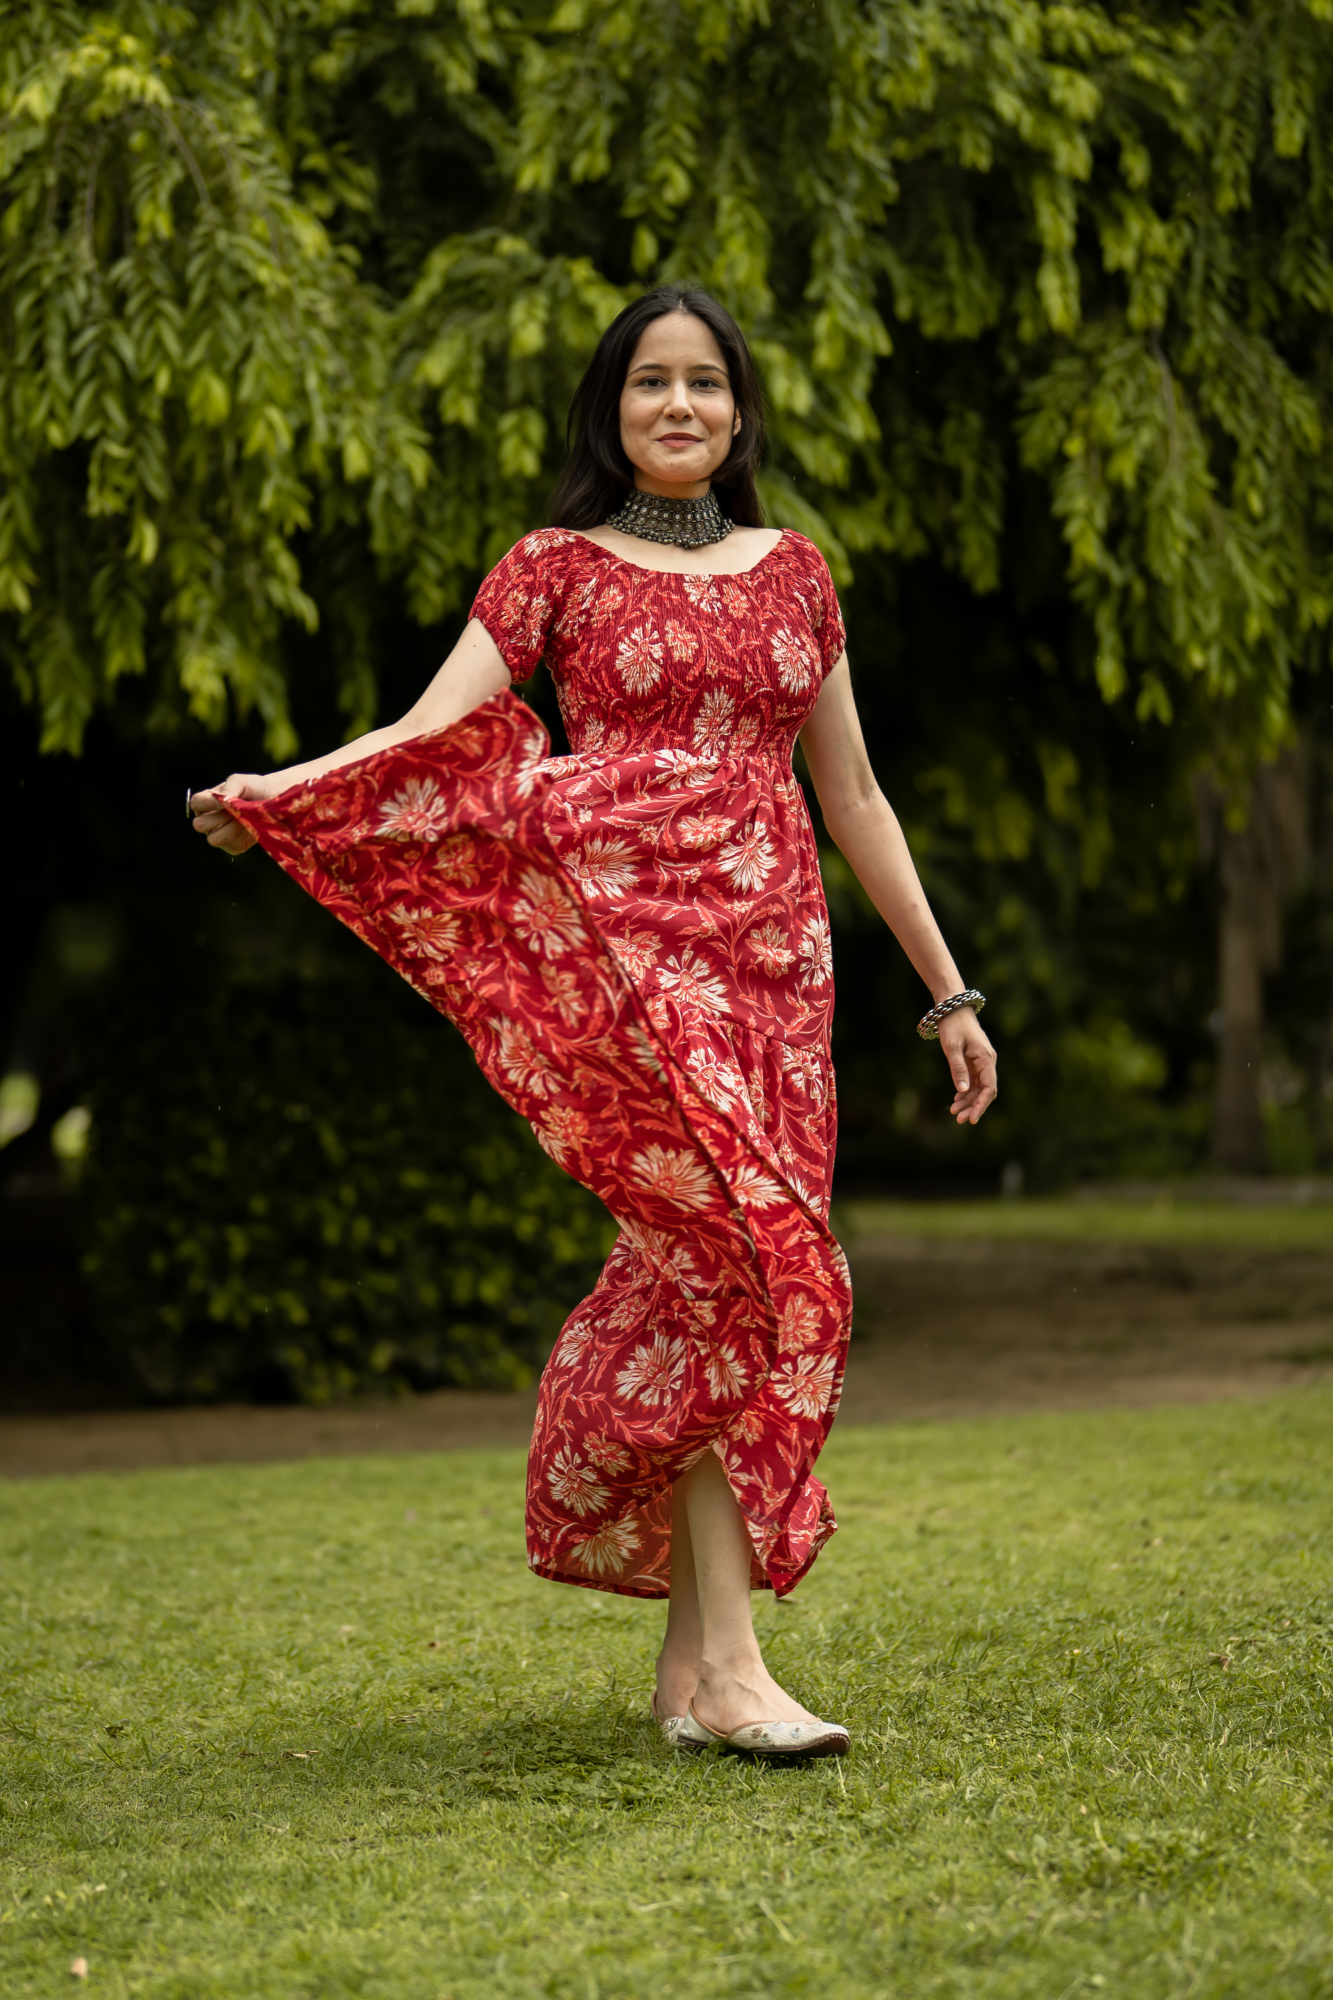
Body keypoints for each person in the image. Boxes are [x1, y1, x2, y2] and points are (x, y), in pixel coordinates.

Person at [190, 285, 997, 1759]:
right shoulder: (552, 565)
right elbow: (437, 732)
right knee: (738, 1263)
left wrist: (947, 990)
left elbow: (856, 798)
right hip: (626, 952)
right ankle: (742, 1673)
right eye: (647, 384)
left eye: (702, 383)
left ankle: (691, 1677)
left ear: (740, 408)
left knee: (715, 1275)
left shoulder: (799, 574)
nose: (676, 406)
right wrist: (288, 789)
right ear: (609, 409)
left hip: (774, 967)